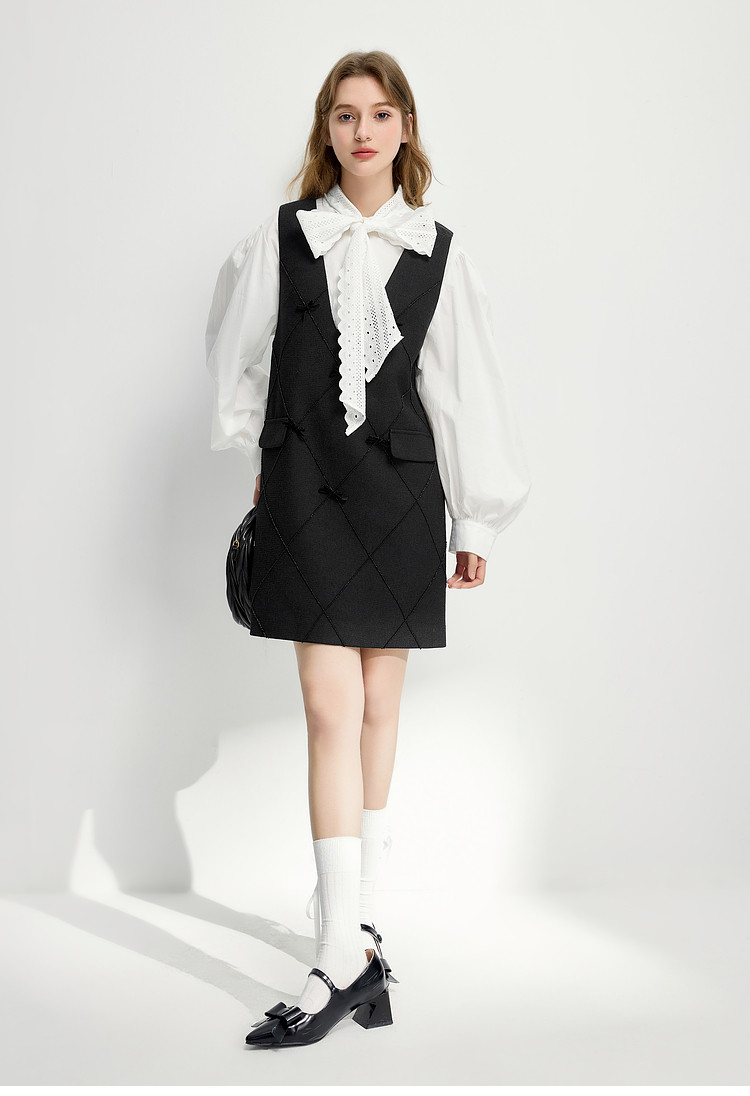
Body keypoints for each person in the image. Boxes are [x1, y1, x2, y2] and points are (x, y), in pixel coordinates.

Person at [205, 50, 532, 1047]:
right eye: (345, 114)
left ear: (405, 128)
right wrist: (262, 449)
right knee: (328, 708)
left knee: (381, 707)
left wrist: (476, 519)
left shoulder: (439, 252)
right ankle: (336, 950)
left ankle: (360, 930)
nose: (363, 131)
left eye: (381, 113)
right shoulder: (283, 239)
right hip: (306, 488)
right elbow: (235, 354)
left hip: (400, 497)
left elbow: (465, 389)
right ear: (327, 130)